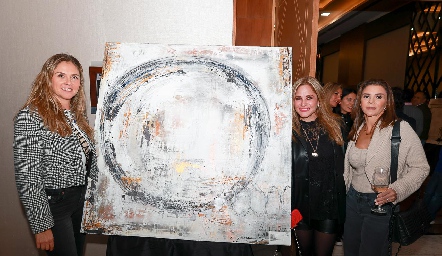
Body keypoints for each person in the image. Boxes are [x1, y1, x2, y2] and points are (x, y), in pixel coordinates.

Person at [13, 53, 96, 256]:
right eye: (61, 75)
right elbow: (28, 177)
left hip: (80, 200)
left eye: (74, 77)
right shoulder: (30, 116)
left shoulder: (78, 117)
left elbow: (87, 160)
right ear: (47, 79)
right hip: (55, 205)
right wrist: (41, 226)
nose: (69, 82)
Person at [343, 79, 430, 256]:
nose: (371, 101)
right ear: (360, 101)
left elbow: (421, 167)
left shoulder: (400, 129)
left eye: (378, 96)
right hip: (352, 201)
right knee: (351, 250)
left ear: (387, 101)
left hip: (379, 204)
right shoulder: (358, 127)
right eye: (367, 96)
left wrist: (397, 190)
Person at [291, 77, 346, 256]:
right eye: (298, 98)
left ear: (319, 99)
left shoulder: (336, 126)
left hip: (328, 204)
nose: (303, 103)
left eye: (309, 97)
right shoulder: (286, 130)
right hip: (299, 205)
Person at [424, 147, 442, 222]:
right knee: (429, 192)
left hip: (438, 170)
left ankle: (429, 217)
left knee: (437, 196)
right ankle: (422, 213)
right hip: (438, 170)